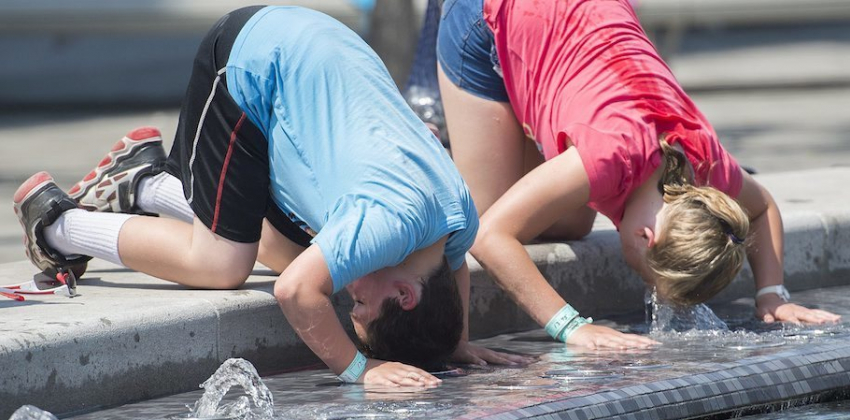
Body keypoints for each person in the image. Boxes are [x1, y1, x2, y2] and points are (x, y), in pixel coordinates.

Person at [13, 6, 526, 388]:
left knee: (289, 257)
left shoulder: (455, 217)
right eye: (363, 306)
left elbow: (455, 267)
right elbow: (297, 295)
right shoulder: (386, 222)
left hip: (313, 42)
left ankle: (147, 184)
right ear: (405, 294)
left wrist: (453, 342)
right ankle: (56, 224)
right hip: (247, 60)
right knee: (222, 265)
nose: (351, 297)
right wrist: (358, 369)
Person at [435, 0, 841, 348]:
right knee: (477, 217)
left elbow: (761, 205)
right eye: (650, 282)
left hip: (576, 23)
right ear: (646, 237)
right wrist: (570, 327)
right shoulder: (608, 156)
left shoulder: (702, 165)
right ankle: (428, 141)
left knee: (569, 223)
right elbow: (491, 237)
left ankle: (521, 119)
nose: (652, 294)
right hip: (488, 15)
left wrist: (772, 294)